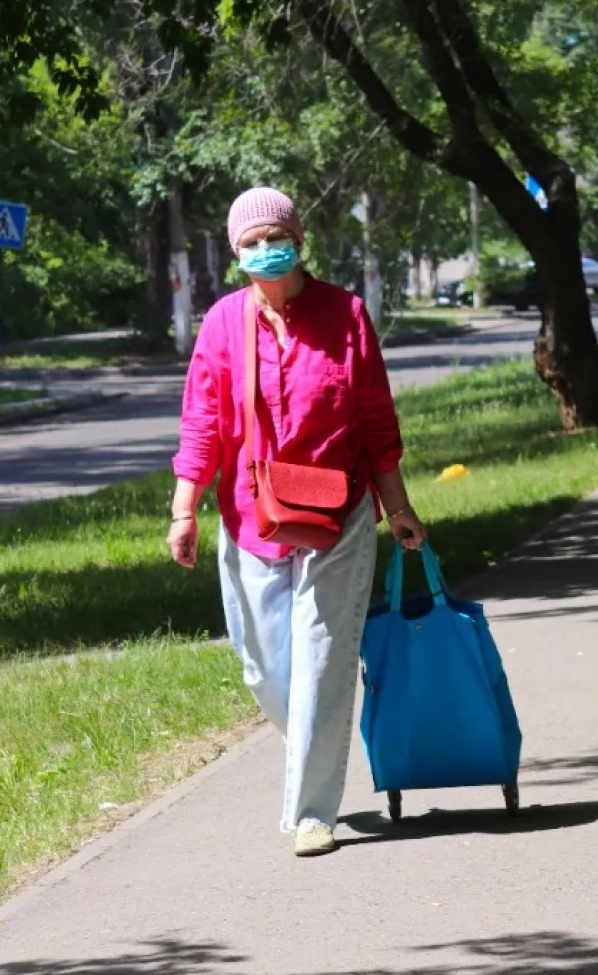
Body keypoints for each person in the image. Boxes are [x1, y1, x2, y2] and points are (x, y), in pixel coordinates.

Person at [167, 186, 427, 858]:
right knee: (265, 667)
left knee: (320, 658)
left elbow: (375, 423)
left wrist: (396, 506)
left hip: (337, 513)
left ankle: (314, 814)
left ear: (298, 238)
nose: (263, 251)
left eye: (272, 238)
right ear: (235, 253)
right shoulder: (224, 323)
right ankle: (322, 735)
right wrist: (183, 511)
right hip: (251, 518)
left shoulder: (347, 315)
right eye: (249, 244)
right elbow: (201, 425)